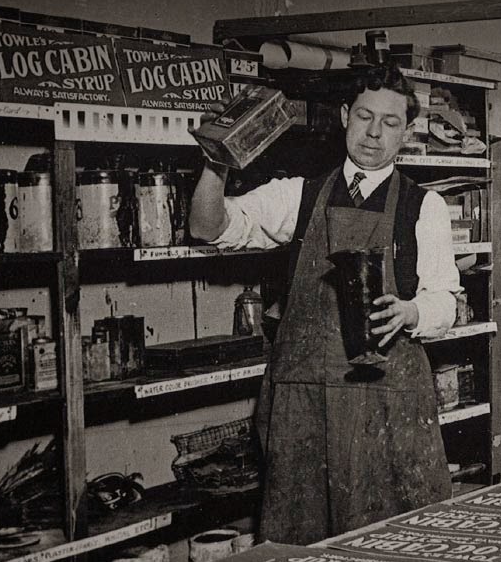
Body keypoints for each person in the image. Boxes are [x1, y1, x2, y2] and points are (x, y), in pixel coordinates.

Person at [189, 64, 460, 544]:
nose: (374, 133)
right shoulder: (298, 194)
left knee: (392, 541)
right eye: (364, 116)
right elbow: (208, 227)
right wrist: (217, 162)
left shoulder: (425, 207)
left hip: (387, 404)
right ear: (344, 116)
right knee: (302, 538)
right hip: (305, 404)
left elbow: (447, 301)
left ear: (406, 132)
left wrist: (412, 311)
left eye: (390, 122)